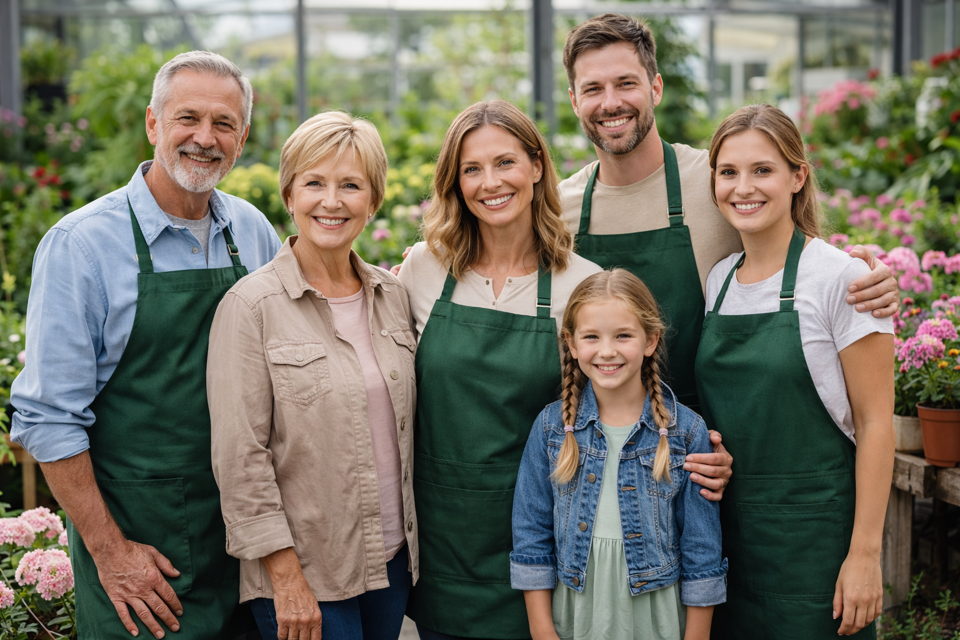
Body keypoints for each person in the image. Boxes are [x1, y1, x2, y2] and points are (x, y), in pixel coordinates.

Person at [557, 14, 898, 490]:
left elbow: (791, 248)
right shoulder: (558, 209)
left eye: (626, 83)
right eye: (593, 88)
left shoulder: (715, 180)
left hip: (713, 455)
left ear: (655, 88)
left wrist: (864, 272)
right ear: (574, 100)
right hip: (602, 454)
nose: (611, 102)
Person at [10, 52, 282, 639]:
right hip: (143, 564)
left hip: (246, 552)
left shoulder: (253, 231)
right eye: (187, 118)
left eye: (224, 124)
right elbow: (47, 419)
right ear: (154, 124)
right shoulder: (81, 246)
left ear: (243, 137)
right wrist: (111, 553)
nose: (205, 139)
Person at [207, 111, 419, 640]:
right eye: (314, 183)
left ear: (373, 200)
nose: (332, 201)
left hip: (391, 561)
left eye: (351, 185)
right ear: (289, 195)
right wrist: (286, 580)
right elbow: (240, 459)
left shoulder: (392, 296)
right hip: (307, 574)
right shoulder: (251, 306)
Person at [396, 100, 603, 640]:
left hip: (544, 541)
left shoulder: (582, 282)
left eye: (505, 162)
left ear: (537, 166)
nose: (490, 182)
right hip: (443, 546)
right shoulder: (422, 268)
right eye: (471, 169)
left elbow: (613, 411)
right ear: (454, 182)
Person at [696, 104, 894, 639]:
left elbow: (877, 424)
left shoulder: (842, 279)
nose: (744, 187)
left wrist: (865, 556)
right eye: (729, 172)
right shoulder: (718, 282)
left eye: (763, 170)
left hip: (818, 551)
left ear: (797, 175)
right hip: (731, 546)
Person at [511, 269, 727, 640]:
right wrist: (542, 629)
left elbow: (701, 548)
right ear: (571, 343)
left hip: (653, 614)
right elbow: (531, 532)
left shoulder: (687, 432)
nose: (607, 351)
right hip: (577, 610)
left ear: (650, 340)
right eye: (591, 336)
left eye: (623, 336)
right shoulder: (550, 428)